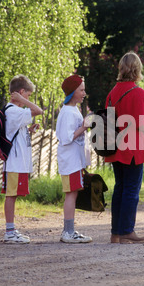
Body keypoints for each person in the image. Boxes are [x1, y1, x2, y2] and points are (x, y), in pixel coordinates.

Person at [105, 51, 144, 244]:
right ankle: (127, 231)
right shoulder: (138, 92)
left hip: (115, 147)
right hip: (133, 148)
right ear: (137, 69)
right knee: (132, 189)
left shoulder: (112, 93)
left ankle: (116, 232)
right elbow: (142, 125)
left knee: (120, 188)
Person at [2, 75, 42, 244]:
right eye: (28, 95)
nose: (28, 99)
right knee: (11, 195)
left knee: (14, 195)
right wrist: (21, 100)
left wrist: (29, 130)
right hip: (14, 163)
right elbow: (39, 110)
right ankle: (9, 231)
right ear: (21, 92)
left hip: (18, 162)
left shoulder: (16, 112)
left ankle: (11, 229)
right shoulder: (12, 110)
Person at [56, 74, 92, 243]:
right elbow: (66, 137)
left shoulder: (73, 110)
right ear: (73, 91)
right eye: (82, 89)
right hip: (70, 162)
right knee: (71, 195)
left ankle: (70, 230)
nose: (84, 93)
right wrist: (84, 126)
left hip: (75, 161)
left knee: (74, 193)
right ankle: (67, 232)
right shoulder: (68, 112)